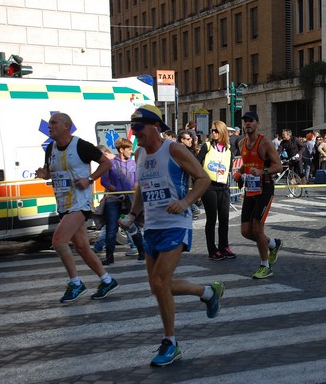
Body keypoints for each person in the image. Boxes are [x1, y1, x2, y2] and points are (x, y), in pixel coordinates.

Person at [118, 105, 223, 367]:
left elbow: (202, 178)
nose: (134, 133)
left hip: (176, 224)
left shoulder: (173, 149)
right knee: (157, 286)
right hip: (151, 226)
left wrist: (186, 201)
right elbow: (142, 186)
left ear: (154, 126)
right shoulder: (141, 153)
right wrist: (133, 214)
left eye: (138, 128)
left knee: (160, 280)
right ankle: (208, 292)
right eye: (133, 128)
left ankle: (170, 342)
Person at [34, 112, 119, 303]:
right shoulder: (50, 148)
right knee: (81, 247)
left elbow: (107, 163)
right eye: (49, 123)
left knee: (58, 242)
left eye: (54, 123)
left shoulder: (81, 145)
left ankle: (75, 283)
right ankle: (107, 280)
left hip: (80, 204)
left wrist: (89, 179)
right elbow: (50, 172)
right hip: (63, 203)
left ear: (66, 126)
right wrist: (44, 174)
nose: (50, 126)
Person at [234, 111, 283, 279]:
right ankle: (272, 243)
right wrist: (239, 173)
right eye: (245, 121)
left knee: (257, 228)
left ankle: (265, 266)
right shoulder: (241, 143)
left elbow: (279, 166)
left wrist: (262, 171)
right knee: (246, 231)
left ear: (257, 123)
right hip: (250, 189)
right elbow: (246, 165)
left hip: (265, 189)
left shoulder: (265, 143)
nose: (247, 124)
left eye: (251, 121)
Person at [99, 137, 144, 264]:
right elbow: (104, 181)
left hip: (129, 199)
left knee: (132, 225)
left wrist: (132, 192)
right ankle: (109, 256)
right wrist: (116, 190)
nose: (131, 151)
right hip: (113, 199)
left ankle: (141, 251)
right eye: (129, 149)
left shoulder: (133, 164)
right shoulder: (110, 163)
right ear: (121, 149)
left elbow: (137, 181)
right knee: (111, 227)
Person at [197, 120, 236, 260]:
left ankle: (224, 247)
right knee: (212, 219)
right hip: (209, 187)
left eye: (216, 131)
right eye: (212, 130)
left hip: (224, 187)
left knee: (224, 219)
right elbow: (196, 164)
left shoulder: (229, 148)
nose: (213, 133)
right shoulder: (206, 146)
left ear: (222, 132)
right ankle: (212, 250)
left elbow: (230, 167)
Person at [278, 128, 307, 196]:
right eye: (282, 134)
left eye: (284, 134)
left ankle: (305, 189)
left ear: (288, 135)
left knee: (301, 174)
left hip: (298, 159)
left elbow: (303, 147)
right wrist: (276, 157)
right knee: (291, 175)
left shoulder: (295, 139)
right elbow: (279, 150)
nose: (282, 136)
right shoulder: (283, 142)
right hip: (290, 160)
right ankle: (293, 191)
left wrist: (298, 154)